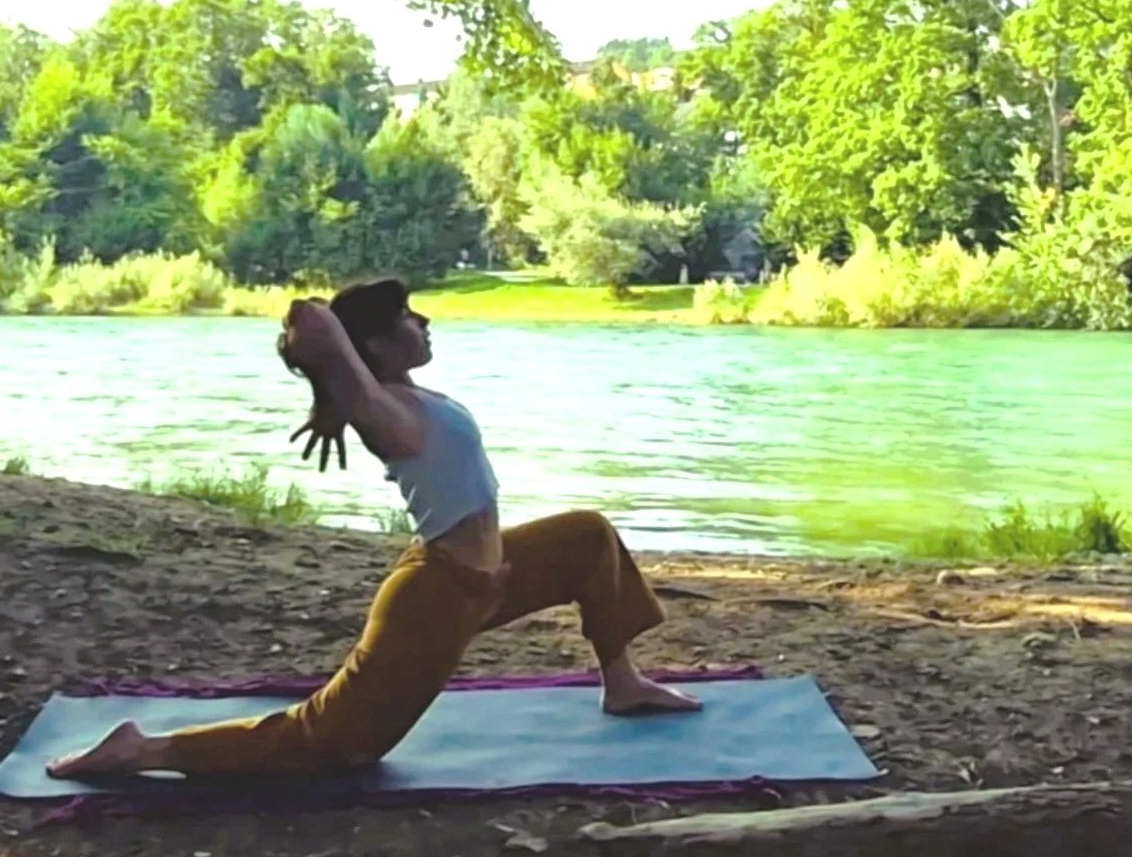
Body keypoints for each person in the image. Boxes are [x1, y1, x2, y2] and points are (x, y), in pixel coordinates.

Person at [47, 278, 699, 780]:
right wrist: (334, 389)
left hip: (489, 575)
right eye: (408, 318)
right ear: (378, 347)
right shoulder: (383, 411)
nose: (424, 320)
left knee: (587, 536)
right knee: (335, 743)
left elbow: (338, 355)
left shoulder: (405, 394)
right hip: (437, 596)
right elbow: (309, 316)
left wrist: (332, 393)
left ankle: (621, 681)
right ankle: (144, 749)